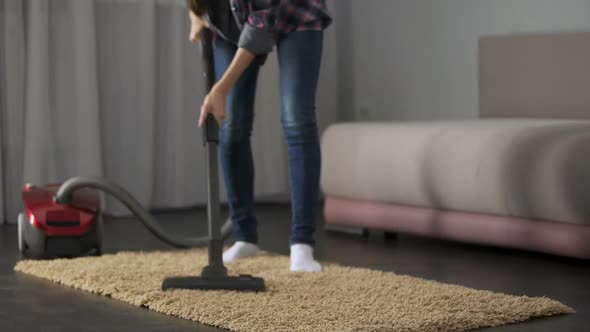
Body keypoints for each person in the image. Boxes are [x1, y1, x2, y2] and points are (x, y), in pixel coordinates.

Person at [186, 0, 331, 272]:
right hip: (234, 21)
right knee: (232, 126)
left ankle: (302, 243)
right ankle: (245, 236)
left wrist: (220, 90)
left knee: (296, 121)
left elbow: (259, 29)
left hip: (296, 13)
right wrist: (196, 15)